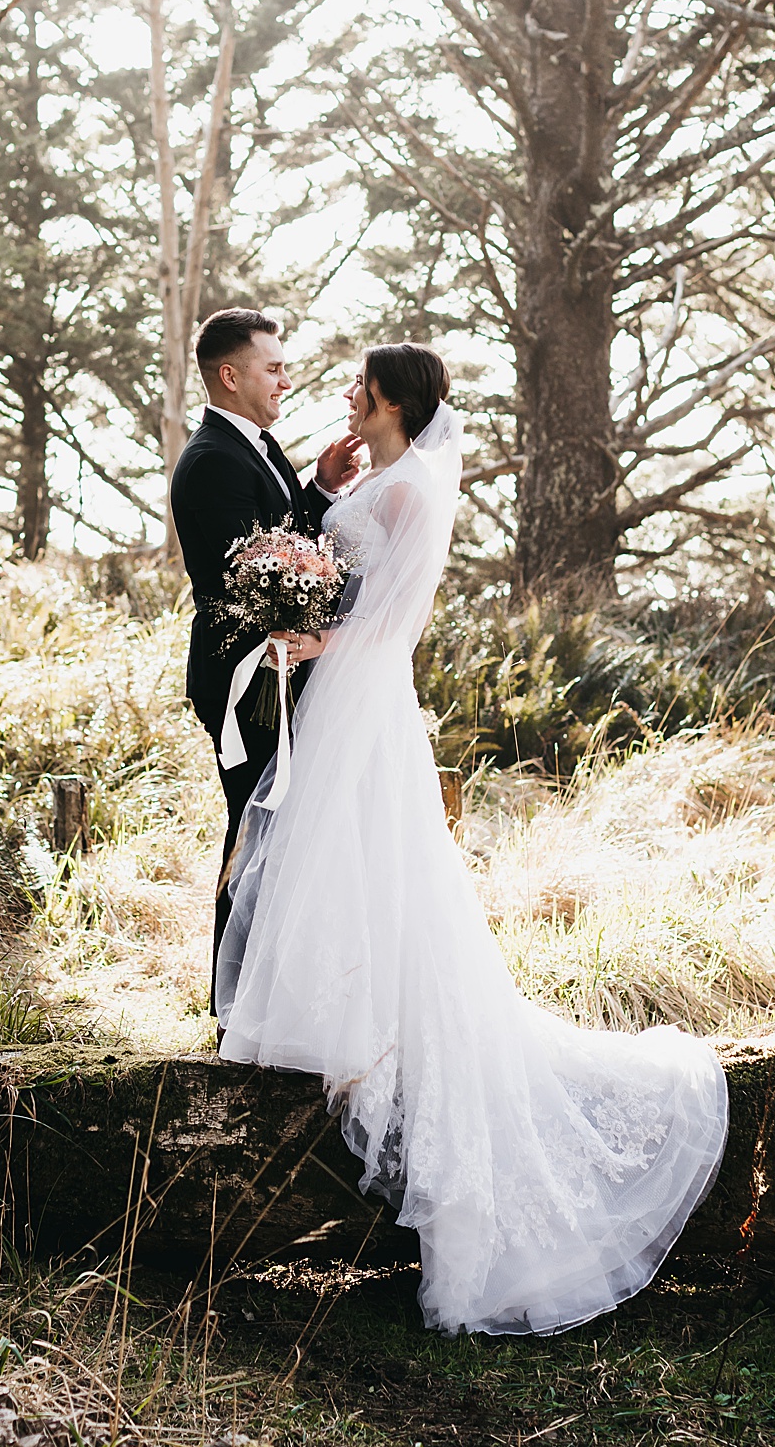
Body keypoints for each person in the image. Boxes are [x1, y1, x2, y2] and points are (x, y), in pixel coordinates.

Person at [215, 343, 729, 1337]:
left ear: (395, 401)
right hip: (342, 698)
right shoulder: (373, 475)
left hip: (364, 695)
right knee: (342, 862)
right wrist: (322, 498)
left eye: (363, 385)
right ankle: (331, 1025)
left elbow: (392, 616)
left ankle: (377, 1038)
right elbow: (346, 572)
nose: (348, 393)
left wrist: (323, 636)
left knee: (375, 865)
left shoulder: (407, 490)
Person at [168, 307, 360, 1014]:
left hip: (279, 668)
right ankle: (233, 1011)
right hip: (246, 679)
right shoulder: (213, 459)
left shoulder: (255, 445)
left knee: (278, 836)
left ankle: (267, 1005)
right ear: (230, 374)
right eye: (273, 367)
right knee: (253, 835)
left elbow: (280, 547)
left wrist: (319, 488)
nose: (286, 378)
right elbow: (246, 580)